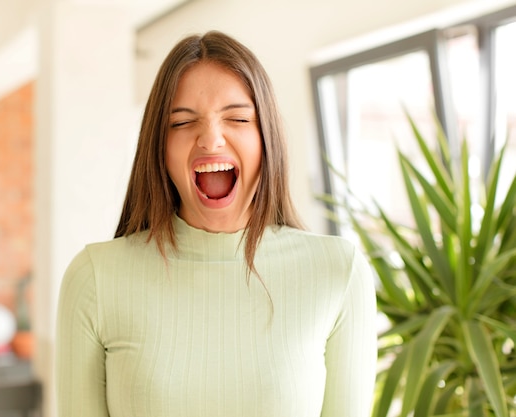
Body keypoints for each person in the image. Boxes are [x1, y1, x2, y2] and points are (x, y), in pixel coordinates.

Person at [56, 30, 377, 417]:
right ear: (157, 147)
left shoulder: (338, 273)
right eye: (181, 123)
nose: (210, 140)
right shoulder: (94, 279)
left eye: (238, 118)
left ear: (267, 138)